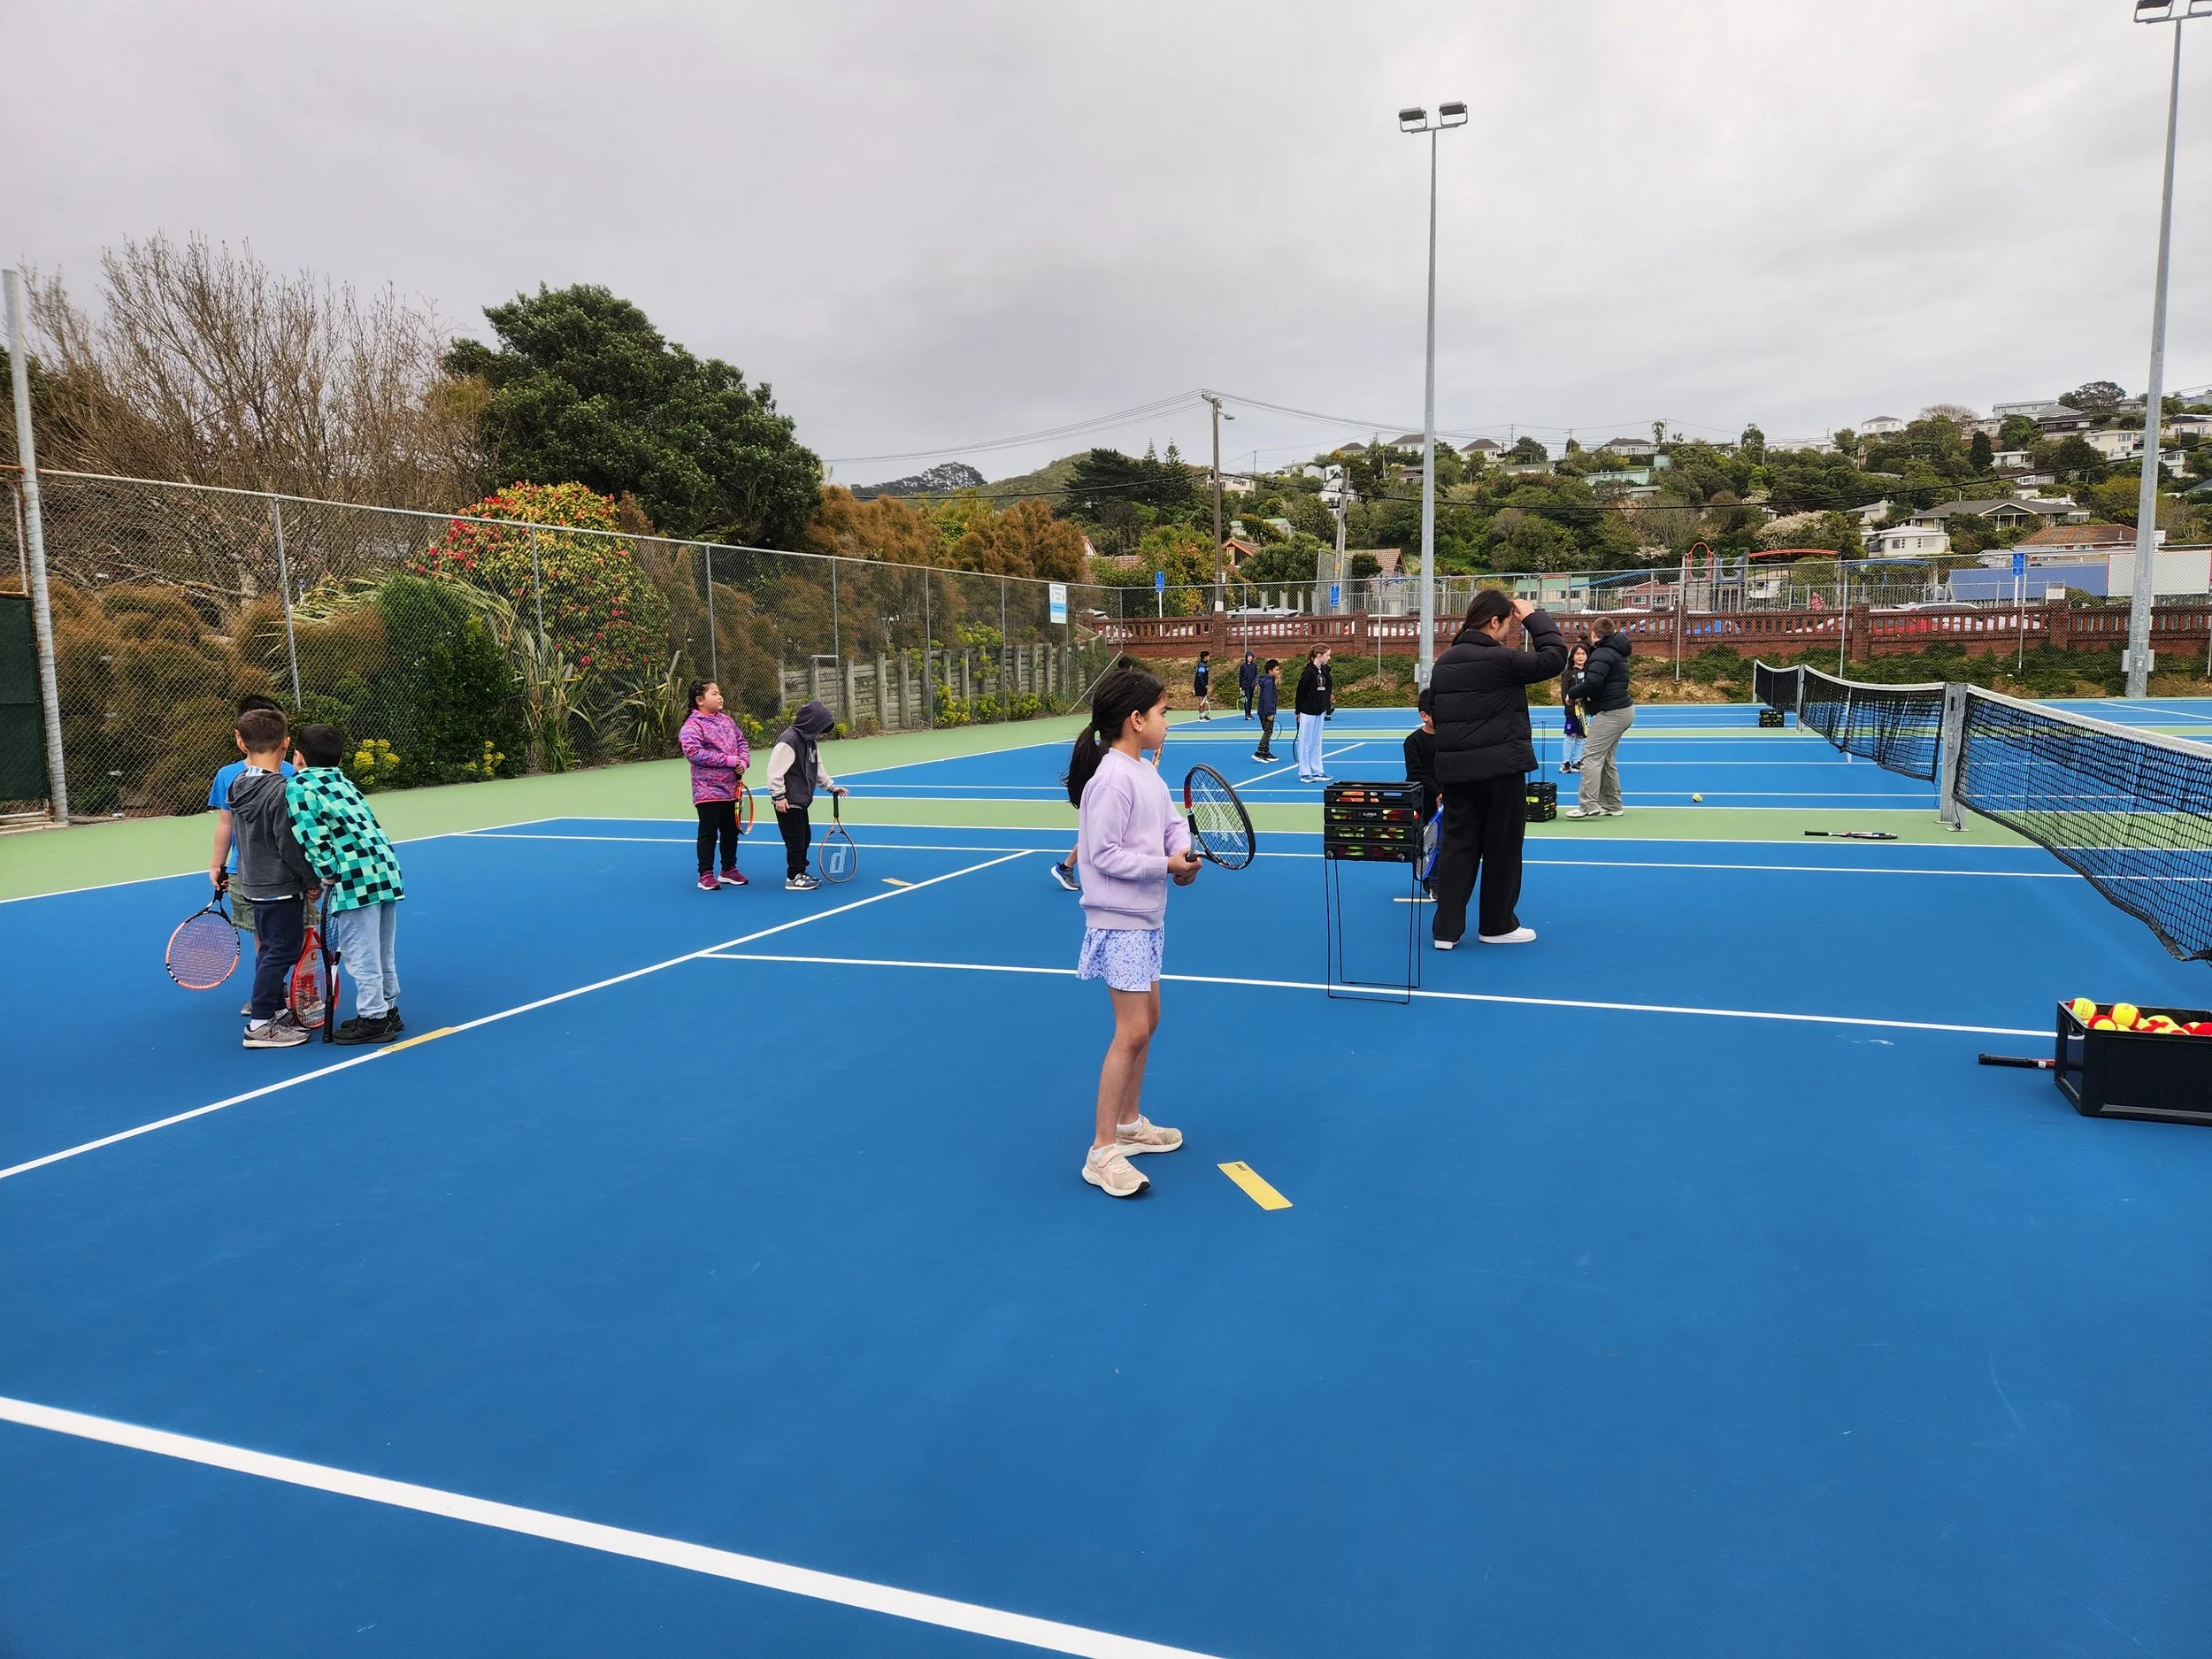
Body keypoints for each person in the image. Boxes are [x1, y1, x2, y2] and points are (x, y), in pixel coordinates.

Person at [1064, 664, 1197, 1199]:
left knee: (1151, 1019)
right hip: (1119, 921)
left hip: (1146, 918)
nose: (1169, 720)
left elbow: (1171, 825)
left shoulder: (1147, 773)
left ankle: (1128, 1123)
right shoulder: (1110, 779)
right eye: (1164, 712)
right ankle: (1101, 1151)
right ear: (1136, 719)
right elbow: (1104, 855)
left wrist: (1180, 854)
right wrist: (1165, 866)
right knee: (1132, 1030)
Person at [1427, 591, 1567, 949]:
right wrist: (1533, 616)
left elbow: (1441, 716)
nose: (1509, 630)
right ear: (1495, 622)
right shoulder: (1502, 660)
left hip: (1457, 771)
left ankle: (1446, 929)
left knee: (1458, 846)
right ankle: (1496, 924)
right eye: (1507, 624)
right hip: (1501, 770)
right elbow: (1554, 659)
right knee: (1502, 848)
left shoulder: (1444, 663)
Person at [285, 724, 407, 1045]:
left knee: (359, 951)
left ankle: (374, 1018)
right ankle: (387, 1008)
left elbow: (312, 835)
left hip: (353, 878)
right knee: (382, 948)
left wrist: (326, 873)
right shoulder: (344, 782)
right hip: (384, 869)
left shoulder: (299, 785)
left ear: (298, 757)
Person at [226, 707, 316, 1048]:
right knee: (282, 949)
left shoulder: (237, 784)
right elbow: (288, 844)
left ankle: (276, 1010)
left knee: (270, 948)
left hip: (253, 883)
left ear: (241, 742)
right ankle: (260, 1023)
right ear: (286, 743)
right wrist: (310, 878)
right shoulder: (282, 790)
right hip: (279, 884)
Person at [208, 693, 292, 1010]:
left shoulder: (294, 773)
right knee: (263, 934)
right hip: (245, 872)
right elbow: (225, 824)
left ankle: (298, 987)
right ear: (240, 738)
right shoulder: (227, 776)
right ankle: (271, 992)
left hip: (289, 872)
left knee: (295, 933)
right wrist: (217, 864)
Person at [680, 680, 751, 891]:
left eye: (720, 693)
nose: (720, 697)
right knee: (708, 833)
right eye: (714, 694)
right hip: (707, 790)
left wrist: (743, 761)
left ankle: (728, 869)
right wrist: (729, 760)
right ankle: (706, 874)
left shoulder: (727, 721)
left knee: (731, 831)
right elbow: (693, 753)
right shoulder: (693, 725)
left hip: (731, 788)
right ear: (700, 700)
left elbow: (742, 742)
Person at [767, 700, 847, 891]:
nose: (820, 733)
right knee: (796, 839)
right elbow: (774, 772)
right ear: (811, 723)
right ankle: (793, 876)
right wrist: (779, 796)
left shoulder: (810, 742)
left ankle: (800, 871)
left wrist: (830, 786)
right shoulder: (789, 741)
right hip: (788, 801)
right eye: (820, 728)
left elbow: (817, 768)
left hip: (801, 800)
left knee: (805, 836)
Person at [1564, 618, 1635, 819]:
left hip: (1613, 712)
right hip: (1623, 710)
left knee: (1591, 757)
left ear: (1594, 634)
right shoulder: (1617, 650)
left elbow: (1594, 682)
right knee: (1606, 759)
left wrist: (1573, 693)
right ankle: (1612, 804)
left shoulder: (1602, 653)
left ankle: (1588, 805)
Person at [1405, 687, 1442, 901]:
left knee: (1444, 843)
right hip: (1421, 801)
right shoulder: (1413, 742)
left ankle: (1439, 881)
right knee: (1423, 844)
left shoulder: (1450, 738)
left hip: (1445, 800)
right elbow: (1416, 773)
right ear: (1424, 716)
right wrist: (1436, 791)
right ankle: (1430, 883)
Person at [1294, 646, 1334, 781]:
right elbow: (1301, 691)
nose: (1329, 658)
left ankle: (1317, 770)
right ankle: (1305, 773)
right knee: (1305, 742)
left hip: (1320, 710)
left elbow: (1328, 687)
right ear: (1319, 655)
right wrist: (1298, 710)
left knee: (1317, 742)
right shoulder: (1308, 672)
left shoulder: (1324, 671)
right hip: (1308, 711)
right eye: (1327, 655)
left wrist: (1326, 705)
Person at [1560, 646, 1589, 775]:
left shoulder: (1590, 673)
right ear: (1572, 657)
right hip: (1572, 711)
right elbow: (1564, 693)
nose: (1580, 656)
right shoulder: (1568, 674)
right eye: (1578, 654)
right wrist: (1570, 707)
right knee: (1571, 734)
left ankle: (1577, 761)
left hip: (1585, 711)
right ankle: (1566, 762)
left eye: (1583, 653)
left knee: (1581, 735)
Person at [1252, 657, 1281, 761]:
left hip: (1263, 711)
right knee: (1268, 731)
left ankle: (1266, 752)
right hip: (1266, 711)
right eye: (1276, 669)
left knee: (1267, 730)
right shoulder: (1269, 683)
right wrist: (1270, 713)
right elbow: (1268, 698)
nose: (1278, 671)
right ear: (1270, 671)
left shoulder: (1268, 681)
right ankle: (1259, 752)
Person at [1237, 649, 1258, 720]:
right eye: (1249, 656)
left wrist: (1255, 684)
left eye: (1251, 656)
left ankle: (1249, 713)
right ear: (1246, 657)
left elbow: (1256, 675)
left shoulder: (1254, 665)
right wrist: (1240, 686)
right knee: (1247, 699)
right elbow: (1241, 676)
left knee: (1250, 700)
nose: (1250, 658)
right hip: (1245, 685)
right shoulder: (1243, 666)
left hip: (1252, 686)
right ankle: (1246, 714)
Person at [1193, 649, 1212, 721]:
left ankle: (1203, 714)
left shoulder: (1204, 665)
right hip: (1199, 685)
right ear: (1205, 657)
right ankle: (1201, 716)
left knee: (1204, 699)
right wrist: (1205, 685)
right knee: (1201, 699)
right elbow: (1200, 676)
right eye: (1208, 656)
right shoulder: (1201, 665)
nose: (1209, 658)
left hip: (1202, 685)